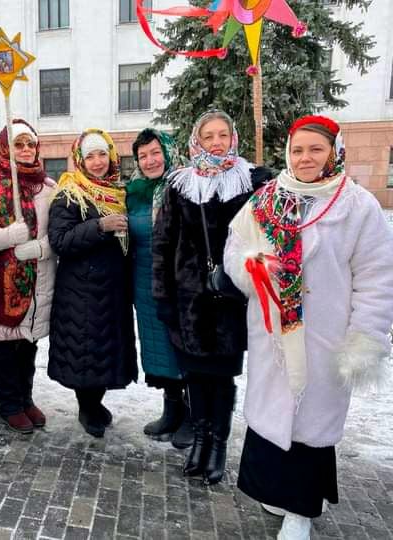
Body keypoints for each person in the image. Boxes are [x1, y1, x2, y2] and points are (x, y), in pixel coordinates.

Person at [224, 115, 393, 539]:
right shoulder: (266, 199)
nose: (305, 158)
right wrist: (253, 266)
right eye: (298, 149)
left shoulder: (357, 205)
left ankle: (301, 510)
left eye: (315, 149)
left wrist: (365, 337)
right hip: (274, 336)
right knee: (272, 416)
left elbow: (377, 277)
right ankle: (272, 491)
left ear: (334, 152)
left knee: (311, 423)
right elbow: (236, 247)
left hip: (326, 337)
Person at [152, 110, 271, 485]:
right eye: (209, 136)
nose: (216, 142)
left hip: (230, 300)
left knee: (221, 378)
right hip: (187, 301)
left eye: (223, 134)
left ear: (233, 137)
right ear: (197, 141)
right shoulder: (181, 184)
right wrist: (163, 297)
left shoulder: (249, 180)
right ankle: (200, 440)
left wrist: (266, 189)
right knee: (194, 376)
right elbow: (163, 242)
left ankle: (217, 445)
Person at [0, 119, 56, 434]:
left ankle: (26, 398)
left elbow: (57, 233)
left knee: (28, 345)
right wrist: (9, 235)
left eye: (30, 144)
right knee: (6, 347)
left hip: (38, 279)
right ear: (6, 147)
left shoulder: (49, 187)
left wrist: (40, 249)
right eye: (19, 144)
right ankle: (10, 405)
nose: (26, 150)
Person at [47, 128, 137, 438]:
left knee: (104, 351)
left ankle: (96, 403)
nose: (97, 162)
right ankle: (87, 407)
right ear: (79, 161)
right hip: (80, 290)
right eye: (90, 156)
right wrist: (99, 225)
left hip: (112, 288)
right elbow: (60, 241)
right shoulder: (70, 194)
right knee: (84, 351)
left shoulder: (118, 191)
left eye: (102, 154)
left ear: (111, 156)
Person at [125, 128, 188, 444]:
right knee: (159, 347)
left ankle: (193, 416)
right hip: (144, 281)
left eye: (155, 152)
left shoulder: (186, 186)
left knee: (184, 346)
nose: (149, 161)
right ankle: (172, 410)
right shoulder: (134, 191)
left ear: (168, 151)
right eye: (142, 155)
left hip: (179, 282)